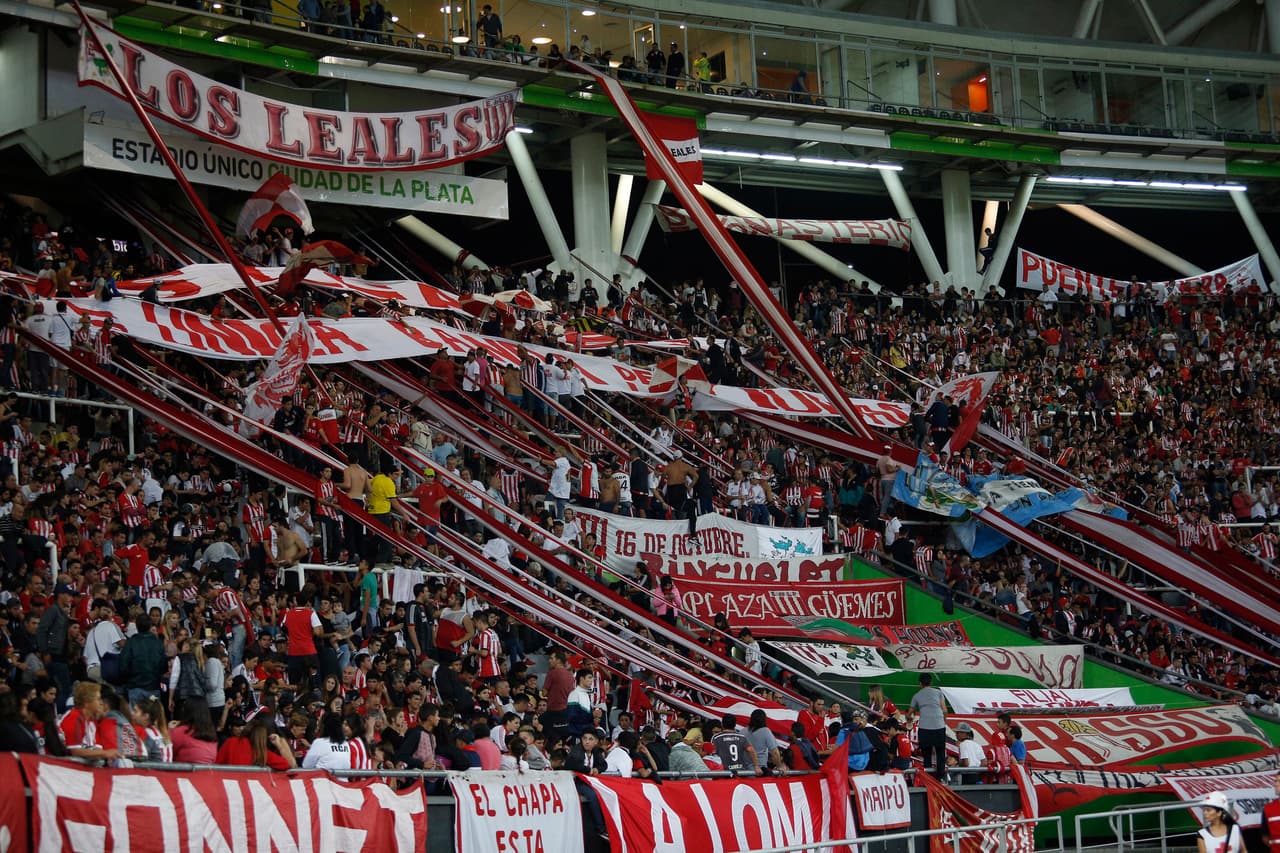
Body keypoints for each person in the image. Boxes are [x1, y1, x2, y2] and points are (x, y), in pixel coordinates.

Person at [910, 673, 947, 779]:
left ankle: (928, 778)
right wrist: (944, 720)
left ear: (920, 684)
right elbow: (944, 710)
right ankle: (940, 777)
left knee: (927, 754)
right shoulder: (938, 693)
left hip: (925, 728)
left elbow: (910, 712)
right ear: (931, 682)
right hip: (939, 726)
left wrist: (909, 717)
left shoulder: (916, 695)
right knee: (940, 753)